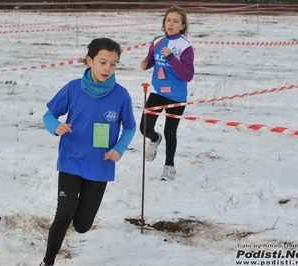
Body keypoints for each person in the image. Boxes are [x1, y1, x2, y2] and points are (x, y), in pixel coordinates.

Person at [39, 38, 136, 266]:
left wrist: (119, 148)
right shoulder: (73, 88)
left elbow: (130, 127)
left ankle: (77, 207)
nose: (107, 68)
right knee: (63, 216)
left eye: (113, 64)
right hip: (71, 160)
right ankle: (47, 262)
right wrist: (56, 126)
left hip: (99, 165)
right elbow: (48, 115)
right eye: (103, 62)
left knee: (82, 226)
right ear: (90, 60)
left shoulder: (121, 95)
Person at [139, 6, 195, 181]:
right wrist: (146, 63)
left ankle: (169, 166)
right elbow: (151, 58)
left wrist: (171, 57)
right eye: (168, 20)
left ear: (183, 26)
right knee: (144, 127)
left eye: (176, 21)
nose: (171, 24)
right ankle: (155, 138)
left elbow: (188, 75)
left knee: (171, 132)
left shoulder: (185, 47)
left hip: (176, 96)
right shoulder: (156, 41)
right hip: (157, 92)